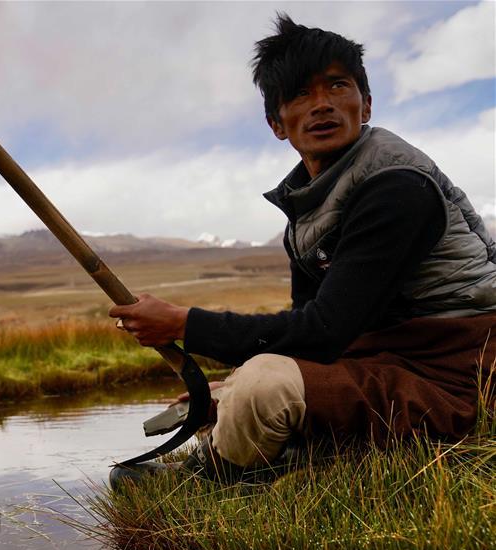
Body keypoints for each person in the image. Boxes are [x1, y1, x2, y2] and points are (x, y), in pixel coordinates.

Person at [108, 14, 496, 488]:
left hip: (460, 378)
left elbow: (323, 333)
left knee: (262, 386)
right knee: (248, 383)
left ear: (366, 104)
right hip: (387, 364)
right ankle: (277, 455)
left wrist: (183, 325)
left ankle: (212, 481)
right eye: (299, 94)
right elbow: (305, 335)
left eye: (337, 86)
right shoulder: (309, 207)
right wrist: (230, 384)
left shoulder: (397, 188)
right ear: (277, 124)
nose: (322, 105)